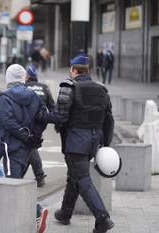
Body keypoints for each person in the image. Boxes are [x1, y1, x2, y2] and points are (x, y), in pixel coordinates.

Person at [37, 53, 115, 233]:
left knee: (81, 178)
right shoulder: (101, 89)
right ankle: (65, 213)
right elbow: (109, 121)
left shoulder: (69, 86)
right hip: (94, 141)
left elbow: (61, 117)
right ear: (87, 70)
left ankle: (102, 218)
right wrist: (105, 145)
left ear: (73, 69)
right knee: (74, 176)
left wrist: (42, 115)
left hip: (76, 142)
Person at [0, 64, 48, 233]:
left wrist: (25, 136)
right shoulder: (34, 96)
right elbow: (42, 118)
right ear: (23, 77)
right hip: (28, 148)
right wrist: (34, 136)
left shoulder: (5, 97)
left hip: (12, 146)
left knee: (13, 184)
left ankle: (35, 212)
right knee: (18, 182)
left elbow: (8, 122)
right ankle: (22, 217)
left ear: (8, 78)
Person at [24, 65, 55, 187]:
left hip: (27, 122)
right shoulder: (45, 88)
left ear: (28, 76)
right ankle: (20, 176)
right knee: (30, 147)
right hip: (41, 123)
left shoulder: (24, 87)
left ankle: (39, 176)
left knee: (30, 147)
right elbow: (52, 106)